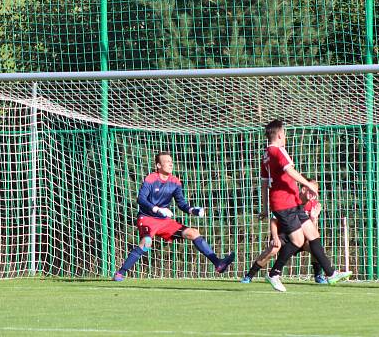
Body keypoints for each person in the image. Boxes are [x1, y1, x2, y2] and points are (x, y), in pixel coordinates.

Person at [260, 119, 352, 292]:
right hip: (284, 203)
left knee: (312, 234)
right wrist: (308, 184)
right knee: (298, 240)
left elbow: (264, 184)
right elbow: (290, 171)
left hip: (291, 202)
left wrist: (265, 207)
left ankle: (331, 273)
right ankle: (274, 274)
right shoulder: (279, 151)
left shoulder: (265, 155)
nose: (285, 136)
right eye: (285, 133)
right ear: (280, 134)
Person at [113, 152, 235, 281]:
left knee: (193, 232)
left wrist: (193, 210)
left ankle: (218, 263)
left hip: (164, 221)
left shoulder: (175, 181)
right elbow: (141, 199)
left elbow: (181, 204)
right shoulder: (151, 179)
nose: (170, 163)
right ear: (158, 165)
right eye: (166, 161)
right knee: (147, 242)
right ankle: (120, 273)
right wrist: (157, 209)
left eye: (171, 161)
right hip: (147, 218)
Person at [241, 183, 328, 284]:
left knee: (315, 247)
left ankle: (318, 275)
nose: (314, 194)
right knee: (273, 249)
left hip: (301, 238)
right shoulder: (291, 201)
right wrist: (275, 237)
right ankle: (249, 275)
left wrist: (314, 218)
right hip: (283, 235)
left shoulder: (314, 205)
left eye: (316, 191)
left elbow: (313, 234)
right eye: (312, 190)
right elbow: (274, 221)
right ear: (304, 189)